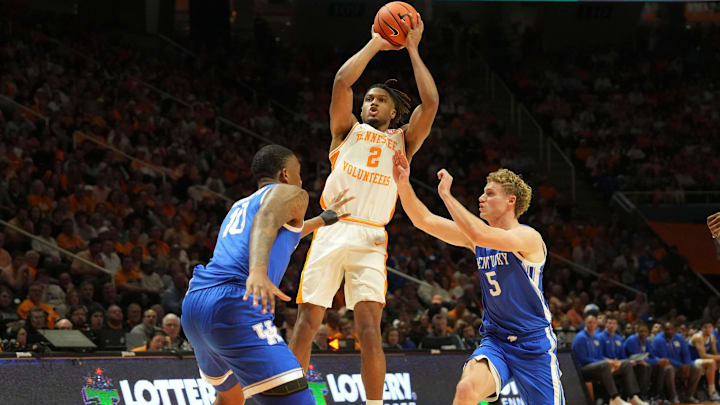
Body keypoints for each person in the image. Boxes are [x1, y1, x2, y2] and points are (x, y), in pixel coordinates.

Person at [290, 15, 438, 405]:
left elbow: (432, 102)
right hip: (331, 228)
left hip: (372, 234)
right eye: (369, 98)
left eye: (380, 99)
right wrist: (375, 43)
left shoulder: (403, 140)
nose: (371, 102)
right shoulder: (346, 130)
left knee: (369, 327)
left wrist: (412, 49)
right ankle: (284, 400)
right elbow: (342, 82)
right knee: (307, 323)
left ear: (393, 112)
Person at [390, 149, 565, 404]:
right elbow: (424, 220)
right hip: (496, 340)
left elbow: (481, 235)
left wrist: (446, 195)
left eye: (490, 193)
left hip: (533, 344)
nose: (481, 197)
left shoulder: (528, 237)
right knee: (467, 390)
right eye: (483, 192)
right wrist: (403, 183)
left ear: (510, 201)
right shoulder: (479, 240)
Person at [181, 145, 352, 405]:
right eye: (299, 173)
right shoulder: (291, 192)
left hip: (197, 303)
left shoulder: (239, 205)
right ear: (285, 174)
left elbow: (280, 229)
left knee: (230, 398)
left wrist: (321, 220)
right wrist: (259, 271)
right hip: (235, 301)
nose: (301, 180)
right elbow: (268, 219)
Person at [572, 315, 646, 405]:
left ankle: (632, 396)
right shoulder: (580, 338)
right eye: (589, 322)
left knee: (626, 364)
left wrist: (612, 362)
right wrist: (606, 362)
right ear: (585, 323)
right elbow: (583, 359)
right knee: (605, 365)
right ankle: (614, 397)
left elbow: (600, 356)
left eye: (594, 322)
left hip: (598, 366)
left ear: (596, 324)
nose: (591, 324)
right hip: (583, 369)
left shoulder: (596, 337)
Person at [623, 323, 677, 403]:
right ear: (637, 331)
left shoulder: (646, 341)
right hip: (631, 363)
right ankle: (642, 396)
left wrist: (659, 360)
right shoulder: (632, 340)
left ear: (648, 333)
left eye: (645, 332)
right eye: (641, 331)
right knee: (646, 367)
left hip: (642, 362)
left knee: (660, 366)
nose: (643, 333)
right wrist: (654, 361)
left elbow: (652, 355)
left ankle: (656, 395)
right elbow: (636, 358)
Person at [652, 322, 702, 403]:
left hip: (681, 365)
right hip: (667, 366)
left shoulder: (679, 338)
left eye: (671, 329)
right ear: (663, 330)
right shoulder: (658, 340)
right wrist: (682, 365)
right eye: (667, 329)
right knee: (669, 369)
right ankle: (673, 396)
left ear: (675, 330)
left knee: (697, 368)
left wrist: (687, 364)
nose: (669, 331)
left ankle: (689, 395)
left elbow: (686, 353)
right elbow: (665, 358)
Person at [688, 321, 720, 401]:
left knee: (716, 361)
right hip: (691, 361)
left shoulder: (712, 337)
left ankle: (715, 386)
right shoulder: (698, 337)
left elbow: (714, 352)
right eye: (706, 327)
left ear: (713, 328)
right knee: (711, 362)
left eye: (710, 327)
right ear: (702, 328)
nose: (708, 329)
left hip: (702, 361)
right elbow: (703, 355)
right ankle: (711, 391)